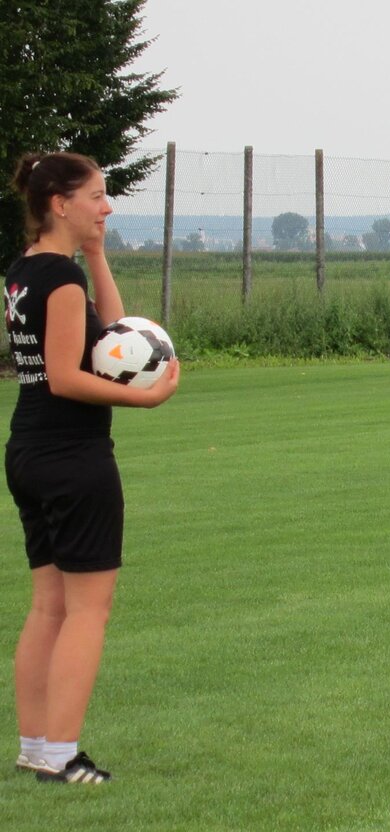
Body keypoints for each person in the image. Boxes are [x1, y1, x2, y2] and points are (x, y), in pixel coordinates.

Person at [4, 152, 180, 784]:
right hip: (73, 459)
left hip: (29, 451)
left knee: (49, 606)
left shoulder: (27, 269)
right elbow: (66, 377)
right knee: (87, 611)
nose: (107, 206)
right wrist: (147, 398)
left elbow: (111, 335)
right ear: (61, 204)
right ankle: (61, 755)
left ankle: (35, 746)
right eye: (97, 196)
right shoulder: (62, 279)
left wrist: (99, 254)